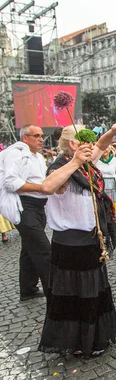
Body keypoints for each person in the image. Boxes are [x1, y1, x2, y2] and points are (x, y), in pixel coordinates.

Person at [38, 124, 116, 357]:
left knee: (94, 292)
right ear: (73, 145)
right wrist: (74, 162)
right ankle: (76, 341)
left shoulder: (86, 165)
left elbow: (101, 146)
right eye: (85, 139)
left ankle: (95, 337)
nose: (91, 144)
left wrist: (112, 133)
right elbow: (47, 187)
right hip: (71, 244)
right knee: (74, 294)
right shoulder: (60, 166)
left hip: (91, 240)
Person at [1, 124, 51, 301]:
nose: (40, 139)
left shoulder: (38, 157)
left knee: (29, 249)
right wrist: (42, 188)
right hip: (24, 206)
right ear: (25, 138)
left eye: (42, 135)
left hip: (38, 206)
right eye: (36, 135)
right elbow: (11, 182)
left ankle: (27, 289)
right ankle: (54, 291)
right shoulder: (17, 153)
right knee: (44, 250)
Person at [97, 147, 116, 224]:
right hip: (101, 185)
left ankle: (114, 228)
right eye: (103, 148)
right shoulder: (97, 160)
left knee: (113, 206)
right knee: (102, 206)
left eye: (106, 148)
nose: (104, 150)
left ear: (110, 150)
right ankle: (104, 228)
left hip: (113, 185)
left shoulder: (115, 160)